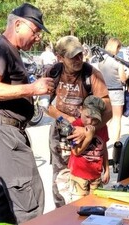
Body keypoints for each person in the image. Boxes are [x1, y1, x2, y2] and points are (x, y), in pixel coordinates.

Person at [0, 3, 53, 224]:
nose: (37, 37)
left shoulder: (11, 50)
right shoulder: (0, 47)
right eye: (35, 30)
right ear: (18, 24)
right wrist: (33, 88)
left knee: (4, 199)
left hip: (5, 131)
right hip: (4, 132)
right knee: (28, 196)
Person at [44, 35, 112, 208]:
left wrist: (89, 129)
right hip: (61, 133)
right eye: (72, 56)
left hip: (86, 134)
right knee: (61, 178)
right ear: (60, 57)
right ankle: (62, 214)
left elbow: (108, 110)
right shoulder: (53, 73)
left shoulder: (92, 74)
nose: (78, 59)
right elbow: (44, 105)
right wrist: (67, 119)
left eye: (80, 55)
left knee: (85, 181)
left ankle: (86, 213)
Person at [67, 95, 110, 202]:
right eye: (87, 116)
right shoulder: (75, 126)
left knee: (96, 203)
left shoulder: (102, 127)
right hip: (79, 175)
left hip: (96, 174)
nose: (90, 122)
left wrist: (107, 169)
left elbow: (103, 148)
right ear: (81, 109)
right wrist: (88, 137)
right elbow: (76, 151)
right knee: (79, 205)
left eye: (95, 119)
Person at [98, 37, 127, 144]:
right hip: (117, 91)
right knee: (117, 118)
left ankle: (104, 138)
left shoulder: (101, 62)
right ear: (116, 47)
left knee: (106, 117)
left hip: (105, 92)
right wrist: (127, 74)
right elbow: (123, 79)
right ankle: (116, 141)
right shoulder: (118, 62)